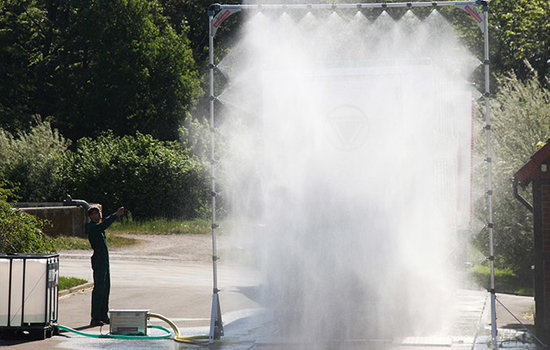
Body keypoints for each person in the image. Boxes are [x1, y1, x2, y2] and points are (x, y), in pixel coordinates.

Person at [87, 206, 124, 326]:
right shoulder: (93, 227)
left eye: (96, 213)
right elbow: (104, 225)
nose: (95, 216)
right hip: (98, 261)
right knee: (98, 289)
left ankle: (103, 315)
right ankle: (95, 317)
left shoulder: (99, 228)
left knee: (106, 288)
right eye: (92, 214)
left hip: (104, 261)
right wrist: (116, 215)